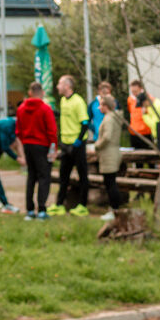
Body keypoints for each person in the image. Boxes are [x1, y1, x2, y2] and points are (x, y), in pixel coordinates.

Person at [14, 80, 57, 218]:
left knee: (31, 176)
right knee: (44, 176)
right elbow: (52, 131)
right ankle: (42, 209)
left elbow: (18, 130)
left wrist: (24, 142)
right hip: (42, 145)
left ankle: (30, 209)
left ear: (30, 93)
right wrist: (53, 149)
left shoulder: (21, 109)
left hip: (28, 145)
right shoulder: (45, 109)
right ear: (42, 93)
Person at [54, 75, 91, 215]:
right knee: (63, 176)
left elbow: (85, 123)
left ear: (67, 86)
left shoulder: (78, 101)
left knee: (82, 175)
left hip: (77, 145)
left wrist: (79, 140)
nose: (57, 86)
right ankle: (59, 204)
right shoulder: (63, 100)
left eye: (59, 83)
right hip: (65, 144)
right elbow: (66, 117)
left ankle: (82, 205)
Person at [95, 90, 127, 216]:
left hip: (108, 154)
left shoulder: (109, 119)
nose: (99, 108)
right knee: (111, 182)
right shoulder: (114, 117)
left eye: (101, 105)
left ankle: (114, 210)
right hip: (113, 153)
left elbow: (107, 137)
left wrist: (97, 145)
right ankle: (114, 209)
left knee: (110, 184)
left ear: (106, 106)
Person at [128, 80, 160, 152]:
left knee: (149, 154)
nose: (134, 93)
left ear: (141, 89)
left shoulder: (147, 99)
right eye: (132, 91)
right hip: (134, 132)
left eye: (135, 91)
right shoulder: (130, 99)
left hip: (146, 132)